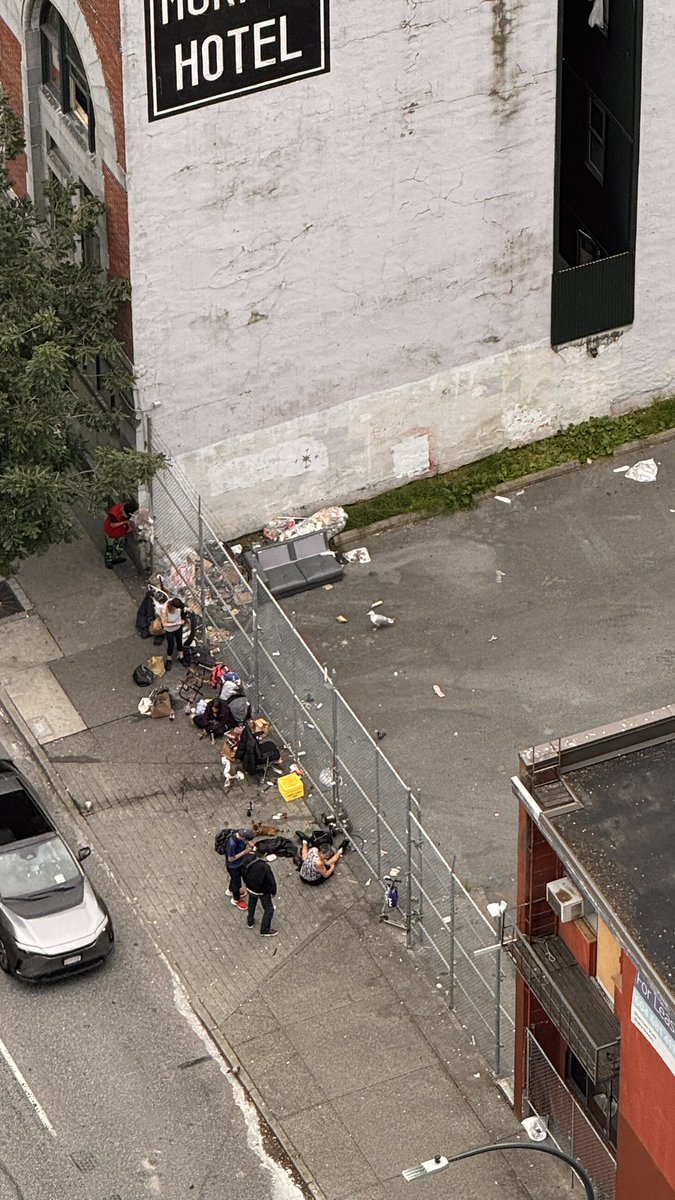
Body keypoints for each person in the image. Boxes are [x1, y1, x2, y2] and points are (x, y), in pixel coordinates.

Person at [242, 845, 278, 936]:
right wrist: (273, 892)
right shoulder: (265, 867)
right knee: (269, 909)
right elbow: (271, 882)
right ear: (265, 854)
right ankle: (265, 930)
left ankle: (250, 921)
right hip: (262, 891)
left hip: (250, 888)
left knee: (252, 903)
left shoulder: (247, 859)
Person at [225, 828, 255, 909]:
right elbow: (231, 859)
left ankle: (230, 890)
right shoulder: (232, 844)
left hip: (239, 863)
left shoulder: (239, 833)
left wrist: (249, 843)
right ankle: (236, 899)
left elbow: (245, 840)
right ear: (243, 837)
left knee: (235, 880)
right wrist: (245, 852)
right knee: (237, 883)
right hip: (233, 866)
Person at [103, 499, 138, 568]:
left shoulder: (128, 509)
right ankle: (108, 560)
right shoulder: (114, 513)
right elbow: (112, 525)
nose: (121, 512)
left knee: (119, 545)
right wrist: (124, 522)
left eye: (123, 513)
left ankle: (116, 556)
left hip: (121, 533)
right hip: (111, 533)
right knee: (110, 547)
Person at [157, 596, 185, 670]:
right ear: (173, 607)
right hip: (170, 630)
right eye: (177, 608)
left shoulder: (176, 604)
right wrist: (177, 623)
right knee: (171, 644)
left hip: (178, 628)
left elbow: (182, 608)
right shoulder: (164, 610)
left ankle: (181, 657)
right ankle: (169, 659)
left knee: (179, 641)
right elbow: (164, 624)